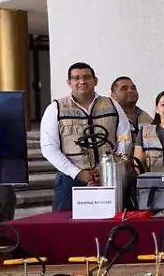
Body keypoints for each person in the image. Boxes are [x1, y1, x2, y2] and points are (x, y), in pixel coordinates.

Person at [40, 62, 131, 211]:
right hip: (70, 178)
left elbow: (124, 137)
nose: (82, 81)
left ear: (95, 81)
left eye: (87, 77)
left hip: (109, 177)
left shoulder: (112, 104)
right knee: (66, 226)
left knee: (110, 222)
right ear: (69, 82)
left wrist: (112, 166)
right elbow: (49, 147)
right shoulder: (56, 108)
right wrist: (77, 173)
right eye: (76, 78)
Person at [111, 76, 152, 141]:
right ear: (113, 96)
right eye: (124, 89)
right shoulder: (109, 118)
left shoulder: (146, 118)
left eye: (133, 88)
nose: (130, 91)